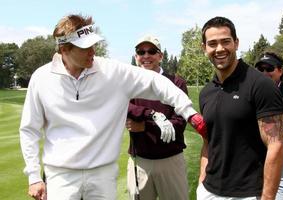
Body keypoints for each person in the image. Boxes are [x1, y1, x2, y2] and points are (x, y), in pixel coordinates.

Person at [19, 14, 207, 200]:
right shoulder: (41, 78)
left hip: (103, 174)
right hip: (60, 175)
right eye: (85, 48)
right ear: (64, 49)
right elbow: (29, 130)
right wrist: (34, 176)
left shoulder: (112, 71)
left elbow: (156, 82)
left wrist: (189, 112)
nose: (92, 51)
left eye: (93, 45)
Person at [196, 16, 283, 200]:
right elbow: (208, 141)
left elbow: (276, 145)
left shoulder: (260, 85)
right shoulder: (206, 92)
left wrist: (267, 198)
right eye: (212, 43)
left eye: (225, 41)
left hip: (247, 193)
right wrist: (201, 181)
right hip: (209, 191)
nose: (219, 49)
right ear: (204, 48)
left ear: (236, 43)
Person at [126, 35, 189, 200]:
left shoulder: (176, 83)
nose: (146, 56)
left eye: (151, 51)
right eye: (141, 52)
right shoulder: (129, 83)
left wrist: (145, 126)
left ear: (160, 56)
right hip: (139, 160)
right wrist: (152, 115)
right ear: (136, 57)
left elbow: (179, 122)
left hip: (170, 160)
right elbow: (126, 107)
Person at [255, 51, 283, 200]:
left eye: (269, 68)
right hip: (257, 162)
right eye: (260, 69)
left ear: (280, 71)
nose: (264, 73)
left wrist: (281, 138)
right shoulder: (252, 94)